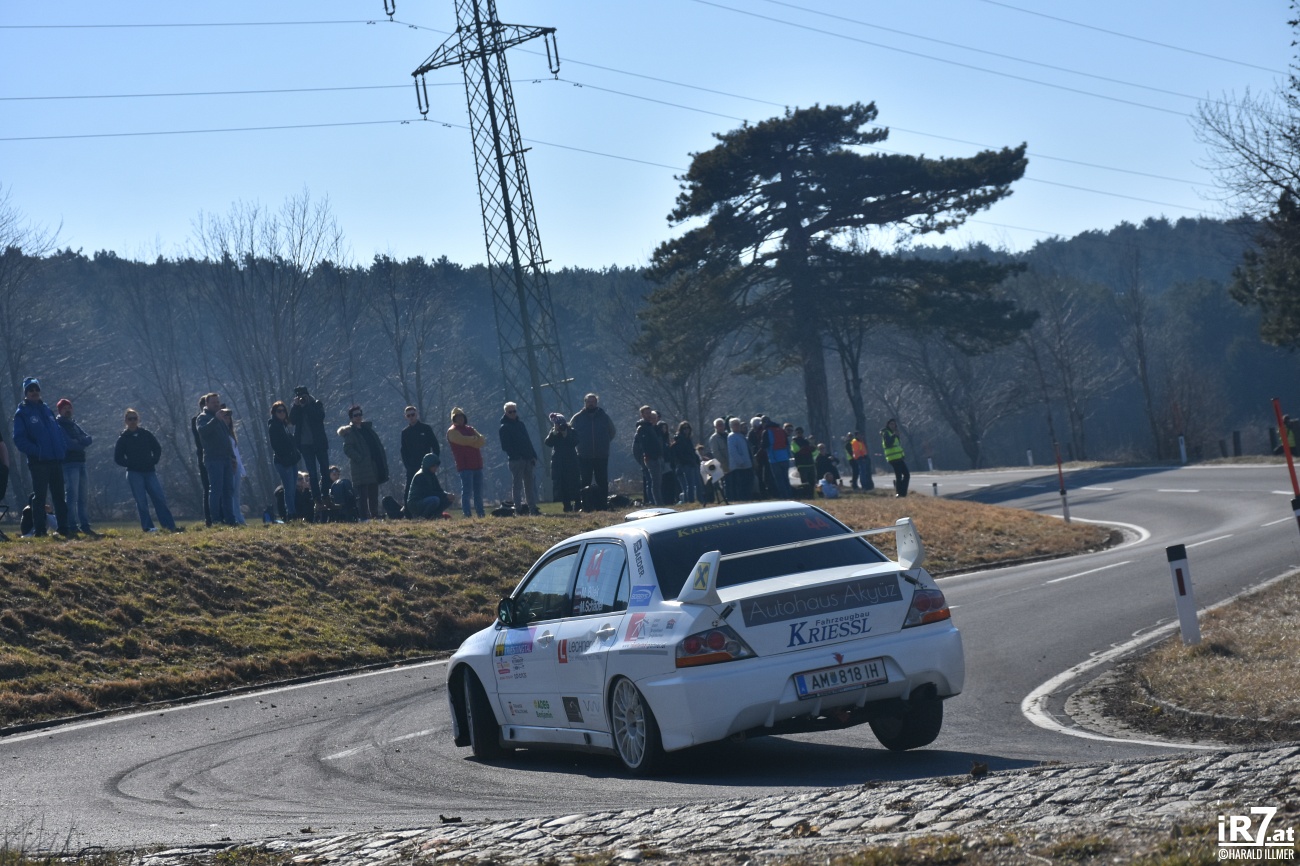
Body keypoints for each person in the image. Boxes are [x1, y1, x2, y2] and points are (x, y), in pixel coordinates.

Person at [12, 377, 72, 538]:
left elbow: (57, 432)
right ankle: (39, 530)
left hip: (55, 460)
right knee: (40, 497)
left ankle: (64, 528)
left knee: (59, 496)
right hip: (38, 462)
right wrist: (37, 452)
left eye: (36, 389)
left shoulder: (46, 410)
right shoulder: (22, 413)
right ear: (26, 393)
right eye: (30, 390)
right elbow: (19, 439)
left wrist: (61, 449)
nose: (34, 392)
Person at [114, 408, 181, 532]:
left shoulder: (146, 434)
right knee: (141, 501)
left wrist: (154, 460)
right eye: (130, 419)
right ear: (126, 421)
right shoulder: (123, 438)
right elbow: (118, 458)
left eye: (135, 418)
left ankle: (169, 526)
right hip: (134, 473)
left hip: (150, 472)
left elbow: (157, 448)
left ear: (138, 419)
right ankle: (148, 527)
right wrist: (131, 463)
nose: (133, 421)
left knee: (159, 498)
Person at [338, 404, 389, 520]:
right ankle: (364, 518)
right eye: (355, 415)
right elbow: (347, 449)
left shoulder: (367, 429)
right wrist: (360, 458)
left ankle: (375, 515)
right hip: (360, 468)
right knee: (362, 495)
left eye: (360, 414)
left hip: (373, 465)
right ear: (351, 418)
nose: (358, 417)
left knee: (373, 492)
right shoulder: (350, 432)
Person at [55, 398, 95, 536]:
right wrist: (80, 442)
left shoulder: (75, 425)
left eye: (69, 407)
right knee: (72, 496)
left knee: (83, 497)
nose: (68, 410)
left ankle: (85, 526)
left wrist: (78, 441)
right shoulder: (59, 425)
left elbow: (89, 439)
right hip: (69, 464)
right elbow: (69, 444)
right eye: (64, 408)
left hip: (81, 463)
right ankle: (72, 525)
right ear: (60, 411)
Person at [196, 393, 237, 525]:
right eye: (213, 402)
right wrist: (215, 419)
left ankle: (230, 520)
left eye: (218, 402)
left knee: (228, 490)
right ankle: (216, 520)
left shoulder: (220, 419)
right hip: (213, 460)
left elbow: (226, 439)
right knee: (216, 490)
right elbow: (203, 432)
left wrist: (233, 457)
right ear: (207, 404)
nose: (216, 404)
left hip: (226, 459)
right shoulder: (202, 418)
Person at [570, 392, 616, 509]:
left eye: (593, 402)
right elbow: (571, 434)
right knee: (585, 480)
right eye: (589, 402)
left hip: (601, 455)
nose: (591, 404)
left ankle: (603, 504)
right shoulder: (577, 418)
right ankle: (584, 505)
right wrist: (579, 446)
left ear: (596, 403)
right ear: (585, 403)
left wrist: (604, 443)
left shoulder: (604, 417)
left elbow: (612, 432)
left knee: (602, 480)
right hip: (584, 455)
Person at [498, 401, 539, 515]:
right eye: (510, 412)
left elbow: (528, 441)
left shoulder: (521, 425)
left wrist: (533, 455)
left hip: (528, 459)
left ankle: (532, 509)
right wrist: (516, 456)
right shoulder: (504, 427)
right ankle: (518, 509)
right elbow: (505, 446)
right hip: (516, 461)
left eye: (514, 411)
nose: (512, 413)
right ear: (505, 413)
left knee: (529, 486)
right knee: (517, 486)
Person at [289, 386, 330, 502]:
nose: (302, 399)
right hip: (305, 445)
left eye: (304, 396)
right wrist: (296, 406)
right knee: (312, 473)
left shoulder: (316, 404)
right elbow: (292, 421)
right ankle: (317, 498)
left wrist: (307, 406)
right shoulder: (297, 408)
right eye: (299, 397)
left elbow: (319, 417)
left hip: (319, 443)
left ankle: (326, 495)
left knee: (325, 470)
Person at [447, 407, 487, 518]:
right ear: (454, 419)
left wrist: (471, 440)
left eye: (461, 417)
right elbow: (463, 440)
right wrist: (474, 439)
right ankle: (467, 514)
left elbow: (482, 440)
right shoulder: (452, 431)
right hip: (465, 466)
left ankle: (481, 513)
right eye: (457, 417)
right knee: (467, 492)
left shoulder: (470, 429)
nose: (460, 419)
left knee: (478, 493)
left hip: (477, 465)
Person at [268, 400, 301, 520]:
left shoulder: (284, 425)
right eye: (279, 411)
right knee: (288, 488)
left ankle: (292, 511)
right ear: (274, 413)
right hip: (283, 462)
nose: (282, 413)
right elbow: (276, 446)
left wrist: (295, 454)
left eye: (284, 411)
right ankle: (291, 513)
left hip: (292, 461)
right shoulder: (274, 426)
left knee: (293, 489)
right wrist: (286, 456)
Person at [544, 413, 581, 512]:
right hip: (559, 463)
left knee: (575, 483)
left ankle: (578, 504)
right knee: (562, 485)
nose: (560, 426)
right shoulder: (554, 433)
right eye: (557, 424)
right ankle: (567, 506)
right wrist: (555, 432)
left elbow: (575, 442)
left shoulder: (572, 431)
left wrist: (565, 435)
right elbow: (548, 442)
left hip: (571, 461)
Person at [400, 405, 441, 497]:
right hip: (412, 467)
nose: (411, 417)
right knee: (409, 492)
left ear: (417, 414)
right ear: (406, 417)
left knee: (431, 489)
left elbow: (435, 446)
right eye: (408, 415)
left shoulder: (426, 428)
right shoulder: (405, 432)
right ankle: (409, 506)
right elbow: (403, 451)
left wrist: (434, 463)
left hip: (427, 466)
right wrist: (408, 466)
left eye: (413, 414)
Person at [221, 407, 249, 525]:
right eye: (225, 416)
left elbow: (236, 452)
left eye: (229, 417)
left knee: (236, 494)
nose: (227, 419)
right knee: (230, 492)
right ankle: (233, 518)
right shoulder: (221, 433)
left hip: (236, 465)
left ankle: (239, 518)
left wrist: (241, 468)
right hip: (229, 465)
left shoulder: (231, 433)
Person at [633, 405, 665, 506]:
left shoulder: (652, 427)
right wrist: (643, 459)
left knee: (658, 481)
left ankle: (658, 502)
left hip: (657, 457)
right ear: (642, 415)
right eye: (646, 413)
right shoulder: (642, 428)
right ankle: (657, 503)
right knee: (654, 482)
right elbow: (640, 446)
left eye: (649, 413)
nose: (649, 415)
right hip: (650, 458)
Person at [406, 451, 454, 518]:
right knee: (435, 500)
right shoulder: (420, 476)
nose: (435, 468)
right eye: (433, 466)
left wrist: (447, 495)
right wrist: (444, 495)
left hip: (427, 499)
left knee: (448, 499)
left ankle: (435, 515)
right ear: (428, 465)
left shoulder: (432, 475)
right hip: (416, 503)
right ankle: (423, 517)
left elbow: (439, 490)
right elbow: (427, 493)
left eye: (436, 466)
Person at [191, 394, 211, 526]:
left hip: (218, 456)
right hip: (204, 456)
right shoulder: (197, 420)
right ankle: (209, 518)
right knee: (207, 487)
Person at [763, 416, 793, 498]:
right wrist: (788, 455)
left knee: (779, 479)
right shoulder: (781, 430)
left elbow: (764, 445)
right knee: (786, 478)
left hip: (774, 459)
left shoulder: (767, 432)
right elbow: (787, 444)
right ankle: (790, 495)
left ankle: (784, 496)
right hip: (785, 458)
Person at [670, 421, 699, 505]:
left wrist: (696, 460)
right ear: (681, 430)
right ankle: (690, 501)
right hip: (684, 465)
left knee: (689, 485)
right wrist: (688, 461)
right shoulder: (680, 440)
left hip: (690, 464)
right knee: (689, 485)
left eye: (688, 428)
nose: (686, 430)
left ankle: (688, 501)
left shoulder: (688, 440)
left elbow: (692, 452)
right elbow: (680, 454)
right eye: (684, 428)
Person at [726, 417, 754, 501]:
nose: (737, 426)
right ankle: (741, 499)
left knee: (748, 484)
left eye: (738, 424)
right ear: (731, 426)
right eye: (735, 425)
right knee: (740, 485)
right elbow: (733, 451)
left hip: (747, 465)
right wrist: (740, 462)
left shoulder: (741, 436)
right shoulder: (731, 436)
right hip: (738, 467)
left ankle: (748, 498)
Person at [881, 418, 910, 497]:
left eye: (894, 424)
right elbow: (888, 444)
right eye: (891, 424)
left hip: (899, 457)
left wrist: (902, 455)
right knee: (899, 475)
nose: (893, 425)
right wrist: (894, 435)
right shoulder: (886, 433)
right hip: (893, 458)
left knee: (906, 474)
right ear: (888, 425)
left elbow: (898, 446)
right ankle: (899, 493)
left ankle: (902, 492)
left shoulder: (894, 433)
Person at [790, 425, 816, 491]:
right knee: (805, 482)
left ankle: (813, 493)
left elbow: (813, 450)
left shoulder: (806, 441)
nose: (800, 434)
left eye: (801, 432)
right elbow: (796, 451)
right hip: (801, 464)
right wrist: (807, 449)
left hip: (810, 463)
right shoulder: (794, 441)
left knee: (812, 481)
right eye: (798, 432)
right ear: (795, 433)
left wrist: (812, 445)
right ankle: (807, 493)